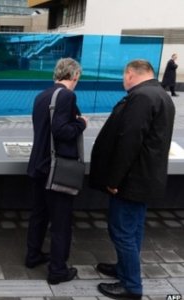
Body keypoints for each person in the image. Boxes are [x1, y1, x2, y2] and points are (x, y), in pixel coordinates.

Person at [90, 60, 175, 299]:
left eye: (123, 76)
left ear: (129, 74)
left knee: (122, 231)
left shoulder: (142, 98)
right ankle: (125, 268)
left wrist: (114, 179)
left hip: (131, 180)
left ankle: (131, 285)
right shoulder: (160, 94)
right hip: (145, 178)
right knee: (133, 229)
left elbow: (129, 141)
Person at [25, 58, 87, 285]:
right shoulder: (67, 96)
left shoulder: (42, 95)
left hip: (38, 166)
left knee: (39, 214)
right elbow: (62, 131)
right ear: (75, 76)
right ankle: (57, 271)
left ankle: (33, 256)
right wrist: (82, 124)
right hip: (56, 169)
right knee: (61, 221)